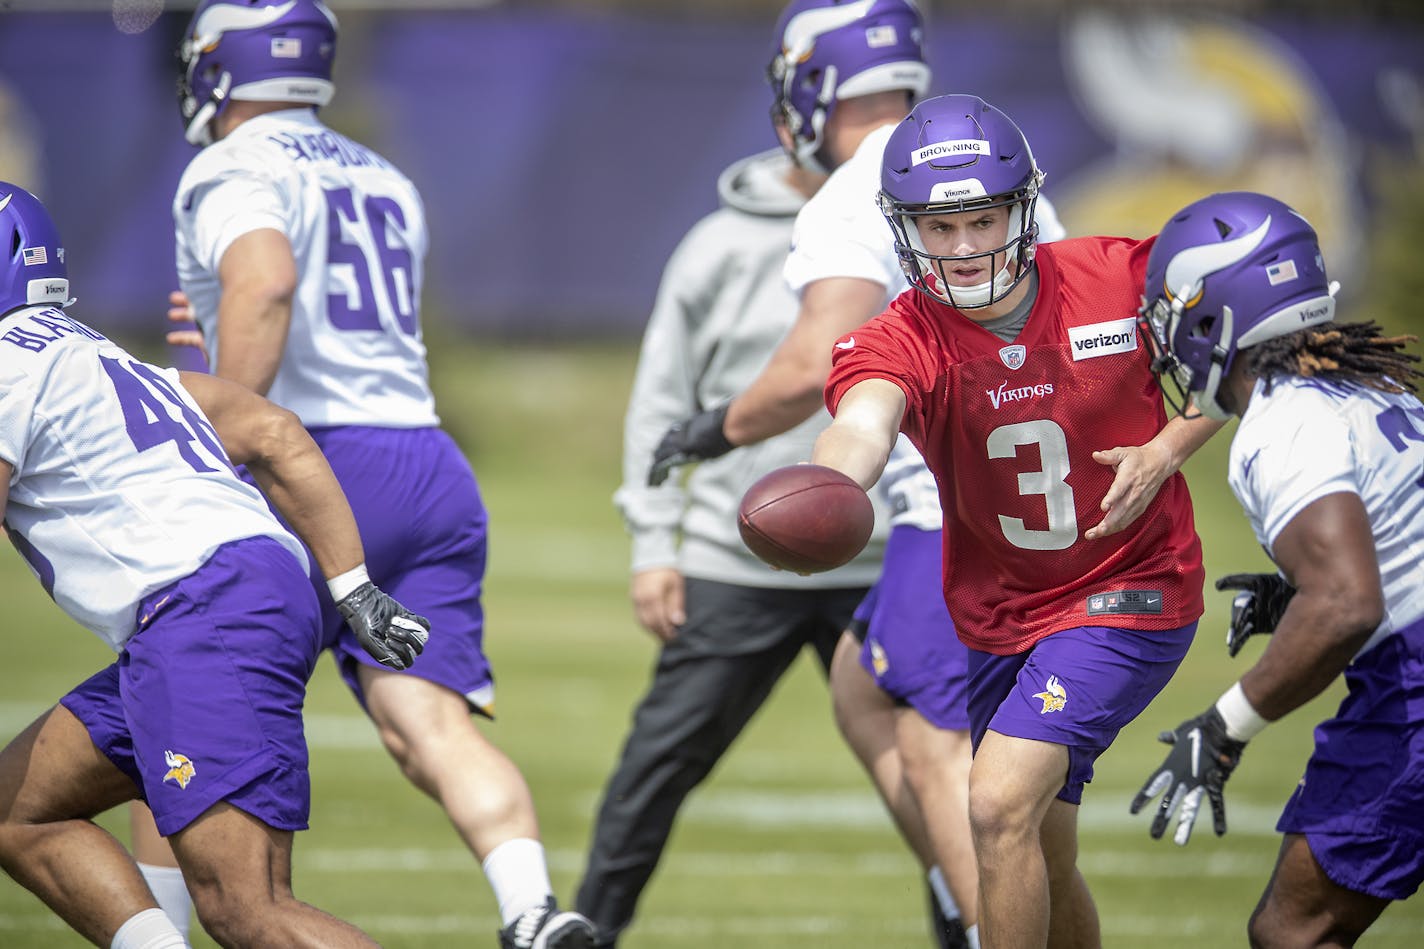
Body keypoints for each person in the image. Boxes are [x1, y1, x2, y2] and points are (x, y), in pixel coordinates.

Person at [149, 3, 597, 947]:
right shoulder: (382, 172)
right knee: (429, 721)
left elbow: (265, 281)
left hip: (312, 460)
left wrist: (223, 420)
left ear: (219, 65)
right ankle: (533, 911)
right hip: (427, 463)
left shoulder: (234, 164)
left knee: (179, 697)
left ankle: (154, 934)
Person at [646, 6, 1072, 947]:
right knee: (860, 682)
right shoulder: (988, 154)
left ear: (807, 88)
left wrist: (717, 429)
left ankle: (976, 924)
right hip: (1040, 491)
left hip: (957, 505)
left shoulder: (861, 186)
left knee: (938, 746)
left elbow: (815, 360)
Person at [808, 93, 1222, 949]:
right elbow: (862, 422)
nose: (961, 248)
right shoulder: (901, 335)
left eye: (980, 219)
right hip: (1002, 614)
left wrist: (1169, 447)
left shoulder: (1118, 275)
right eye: (936, 226)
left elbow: (1247, 335)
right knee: (1041, 848)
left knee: (994, 802)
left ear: (1021, 207)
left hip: (1129, 586)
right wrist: (825, 494)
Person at [0, 181, 429, 948]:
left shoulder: (6, 363)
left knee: (246, 907)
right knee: (17, 810)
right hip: (233, 594)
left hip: (202, 608)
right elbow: (273, 430)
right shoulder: (91, 351)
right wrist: (354, 587)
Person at [572, 129, 907, 947]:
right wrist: (655, 539)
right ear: (802, 105)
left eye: (903, 98)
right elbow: (661, 398)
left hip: (891, 547)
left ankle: (975, 930)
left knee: (940, 772)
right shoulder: (718, 244)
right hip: (737, 550)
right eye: (865, 99)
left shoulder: (939, 224)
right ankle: (587, 930)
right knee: (656, 762)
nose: (886, 123)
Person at [1129, 190, 1424, 947]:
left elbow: (1348, 602)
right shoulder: (1364, 382)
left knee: (1293, 932)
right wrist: (1298, 587)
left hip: (1414, 682)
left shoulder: (1283, 421)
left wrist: (1224, 727)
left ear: (1212, 318)